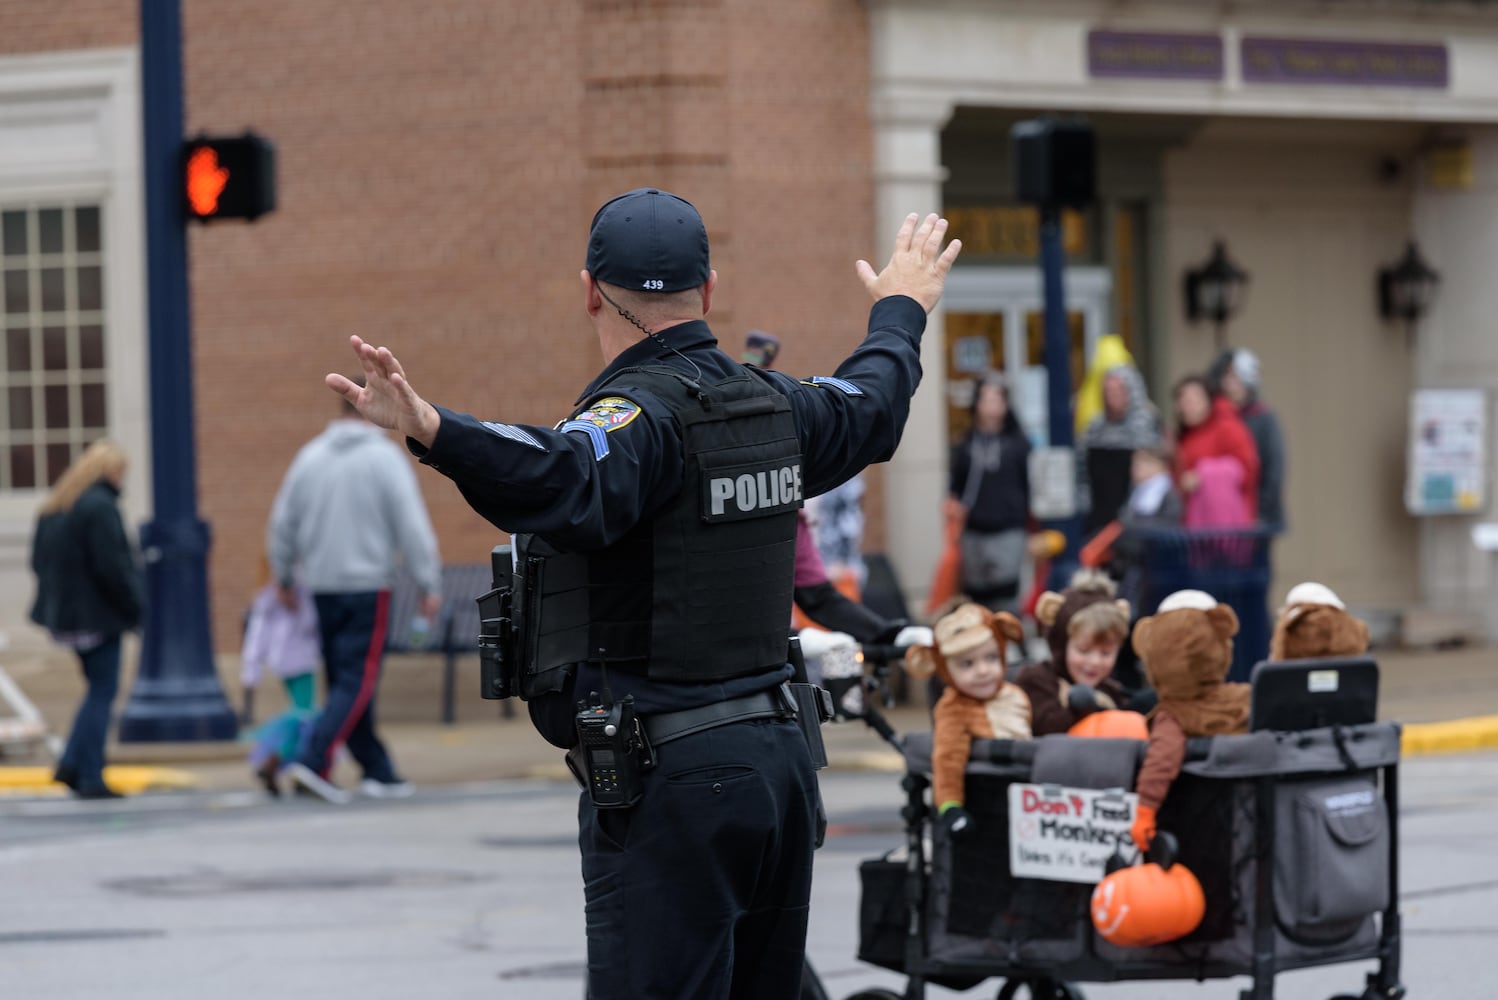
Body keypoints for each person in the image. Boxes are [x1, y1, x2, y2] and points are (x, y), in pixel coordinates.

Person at [324, 190, 961, 999]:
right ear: (712, 288)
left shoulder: (641, 417)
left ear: (591, 290)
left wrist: (434, 428)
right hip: (778, 771)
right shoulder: (776, 405)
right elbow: (872, 402)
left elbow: (561, 471)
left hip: (676, 782)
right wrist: (902, 307)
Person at [269, 384, 442, 804]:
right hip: (368, 585)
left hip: (322, 585)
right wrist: (428, 582)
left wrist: (284, 576)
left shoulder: (310, 457)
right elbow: (411, 525)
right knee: (356, 680)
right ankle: (312, 761)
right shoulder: (384, 459)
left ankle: (376, 769)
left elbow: (281, 522)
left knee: (347, 680)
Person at [28, 440, 144, 799]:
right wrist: (135, 606)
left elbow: (37, 562)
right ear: (109, 471)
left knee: (96, 688)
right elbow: (113, 568)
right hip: (98, 617)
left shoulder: (57, 505)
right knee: (102, 691)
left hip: (66, 618)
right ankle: (89, 772)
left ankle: (72, 765)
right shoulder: (100, 507)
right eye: (120, 473)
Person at [948, 373, 1033, 613]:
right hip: (974, 531)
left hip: (1008, 529)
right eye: (986, 398)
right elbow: (956, 487)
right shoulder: (966, 444)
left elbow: (1028, 485)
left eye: (997, 398)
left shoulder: (1018, 444)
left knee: (1006, 595)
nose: (991, 405)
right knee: (976, 595)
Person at [1017, 568, 1134, 736]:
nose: (1094, 662)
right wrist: (1082, 705)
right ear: (1061, 645)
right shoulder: (1036, 681)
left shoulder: (1111, 691)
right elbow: (1043, 729)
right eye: (1084, 651)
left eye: (1106, 653)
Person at [240, 558, 321, 795]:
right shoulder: (279, 597)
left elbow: (257, 637)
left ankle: (290, 765)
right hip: (299, 662)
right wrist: (250, 670)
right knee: (302, 718)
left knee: (301, 715)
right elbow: (310, 625)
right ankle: (276, 762)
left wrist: (251, 670)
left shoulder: (270, 597)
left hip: (289, 662)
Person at [1077, 364, 1161, 539]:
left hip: (1134, 522)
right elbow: (1082, 470)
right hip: (1097, 520)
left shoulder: (1145, 424)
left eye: (1119, 390)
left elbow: (1152, 477)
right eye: (1108, 390)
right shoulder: (1095, 427)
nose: (1112, 395)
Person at [1209, 347, 1286, 532]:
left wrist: (1261, 513)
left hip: (1256, 516)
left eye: (1235, 377)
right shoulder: (1216, 418)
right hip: (1220, 514)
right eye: (1225, 377)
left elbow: (1273, 469)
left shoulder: (1263, 418)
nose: (1228, 384)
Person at [1171, 374, 1259, 529]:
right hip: (1191, 524)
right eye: (1183, 400)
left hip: (1224, 525)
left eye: (1194, 400)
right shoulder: (1182, 437)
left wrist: (1203, 475)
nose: (1188, 406)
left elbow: (1246, 471)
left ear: (1208, 401)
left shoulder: (1228, 428)